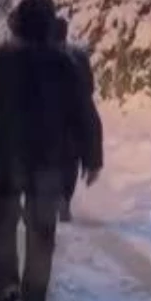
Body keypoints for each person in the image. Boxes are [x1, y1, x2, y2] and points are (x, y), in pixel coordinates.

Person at [0, 0, 101, 301]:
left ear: (16, 21)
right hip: (49, 162)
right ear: (52, 24)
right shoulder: (65, 63)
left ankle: (6, 281)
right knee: (42, 232)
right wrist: (92, 157)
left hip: (7, 159)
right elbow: (84, 112)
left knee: (2, 225)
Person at [50, 16, 103, 223]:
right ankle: (63, 199)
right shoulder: (78, 57)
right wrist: (94, 160)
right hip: (73, 120)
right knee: (69, 162)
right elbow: (89, 89)